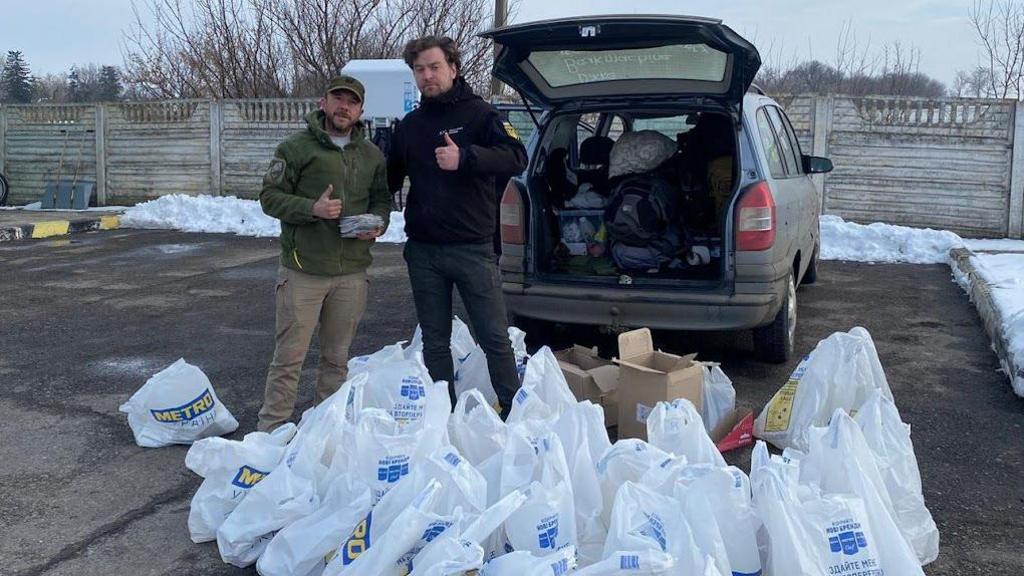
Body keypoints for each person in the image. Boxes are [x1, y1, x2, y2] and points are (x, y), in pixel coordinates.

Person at [387, 36, 528, 417]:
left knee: (494, 338)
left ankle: (514, 414)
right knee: (434, 341)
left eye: (435, 67)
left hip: (472, 249)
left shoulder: (481, 115)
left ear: (453, 67)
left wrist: (464, 157)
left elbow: (517, 156)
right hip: (424, 252)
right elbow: (385, 178)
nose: (427, 75)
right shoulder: (410, 126)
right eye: (419, 69)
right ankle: (441, 414)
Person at [256, 75, 391, 431]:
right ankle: (272, 432)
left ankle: (324, 430)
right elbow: (269, 198)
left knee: (336, 359)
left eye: (352, 101)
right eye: (337, 98)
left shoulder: (372, 154)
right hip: (304, 271)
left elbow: (382, 200)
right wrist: (310, 209)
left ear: (361, 110)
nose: (343, 106)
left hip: (351, 274)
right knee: (289, 359)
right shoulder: (295, 147)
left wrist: (379, 224)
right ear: (323, 103)